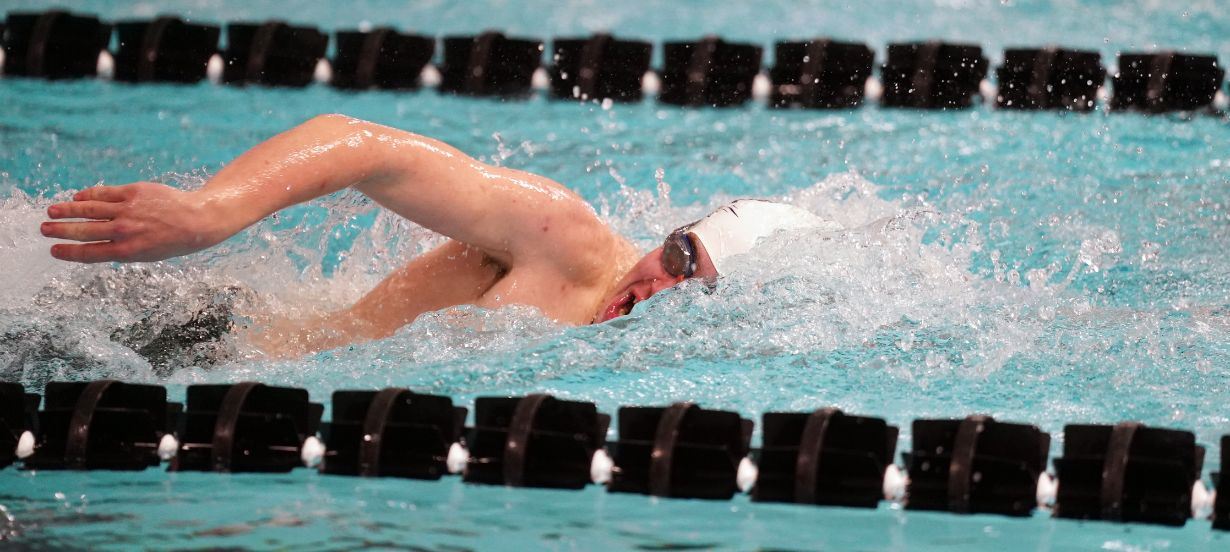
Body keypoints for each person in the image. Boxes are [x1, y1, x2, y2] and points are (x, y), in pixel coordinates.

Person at [39, 114, 834, 358]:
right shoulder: (566, 243)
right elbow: (364, 147)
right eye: (675, 251)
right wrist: (208, 213)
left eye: (689, 285)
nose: (657, 282)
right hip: (192, 334)